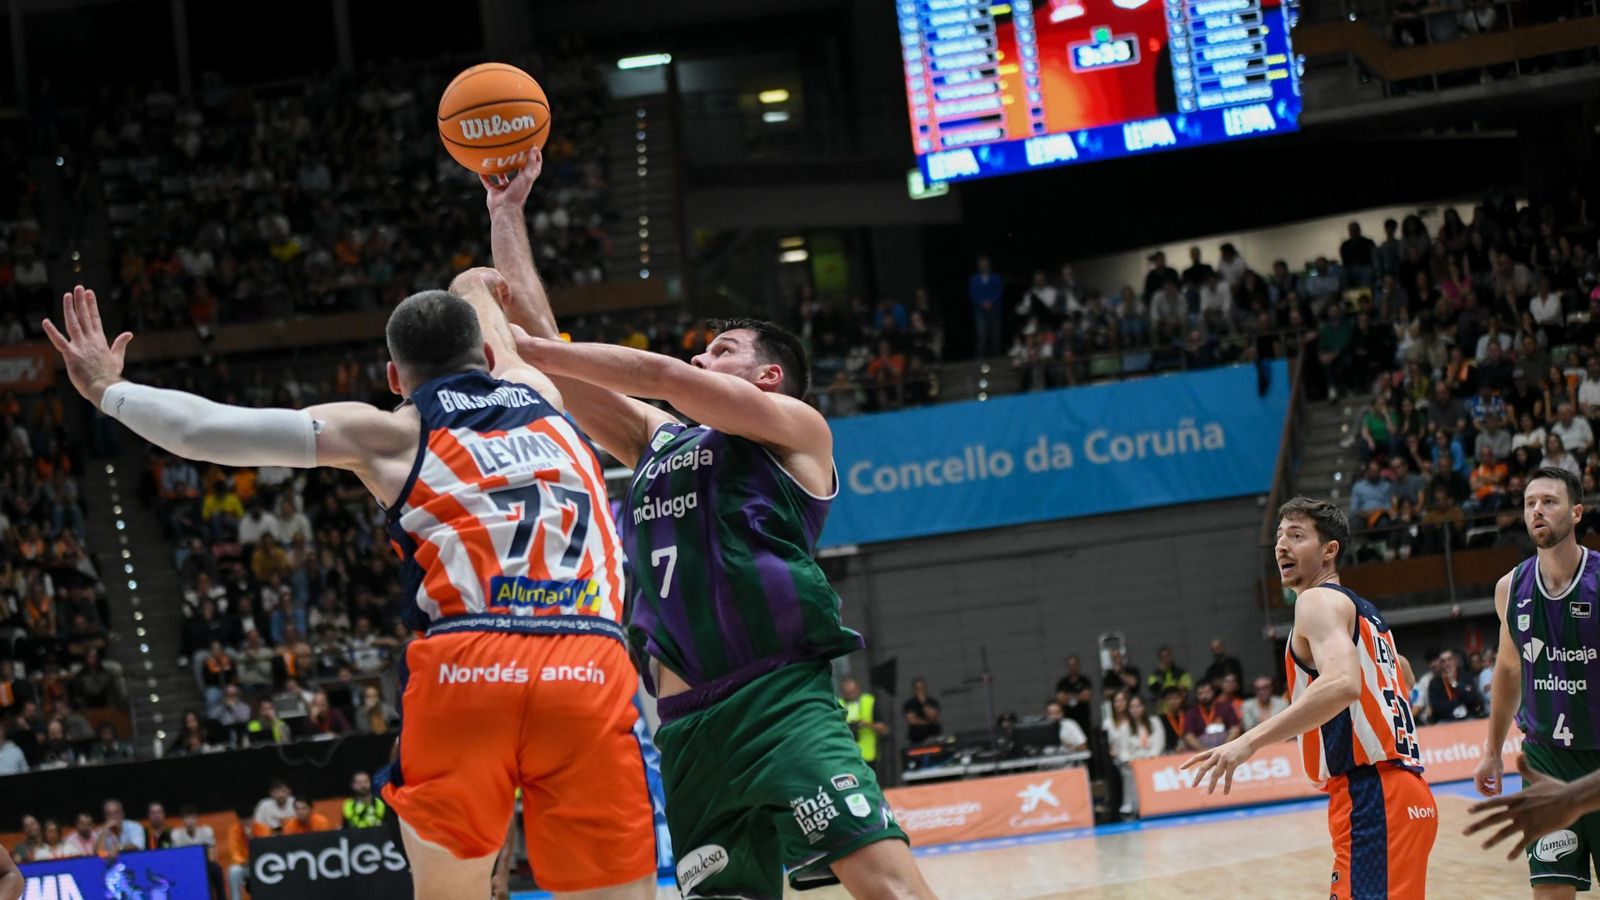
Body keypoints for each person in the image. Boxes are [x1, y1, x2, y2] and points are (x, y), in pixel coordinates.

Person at [42, 281, 657, 900]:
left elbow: (208, 431)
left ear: (394, 376)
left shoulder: (388, 432)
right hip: (587, 657)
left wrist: (104, 388)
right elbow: (488, 308)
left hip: (469, 663)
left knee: (451, 893)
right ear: (491, 357)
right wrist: (489, 244)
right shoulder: (547, 398)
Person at [485, 156, 932, 898]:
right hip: (689, 727)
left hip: (781, 702)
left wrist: (525, 352)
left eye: (722, 350)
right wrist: (505, 212)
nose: (701, 355)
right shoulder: (657, 443)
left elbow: (656, 376)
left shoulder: (797, 432)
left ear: (769, 378)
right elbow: (557, 353)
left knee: (886, 885)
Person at [1184, 498, 1434, 899]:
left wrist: (1247, 742)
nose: (1281, 545)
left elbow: (1343, 684)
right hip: (1399, 793)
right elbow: (1401, 673)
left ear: (1328, 550)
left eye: (1297, 536)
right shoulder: (1365, 613)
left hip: (1372, 796)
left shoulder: (1316, 601)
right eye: (1280, 536)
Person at [1471, 466, 1600, 892]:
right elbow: (1508, 669)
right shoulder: (1510, 587)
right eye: (1530, 503)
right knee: (1548, 890)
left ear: (1577, 512)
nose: (1537, 511)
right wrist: (1492, 750)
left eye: (1549, 501)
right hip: (1545, 760)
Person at [1107, 693, 1164, 818]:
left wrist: (1151, 757)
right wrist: (1131, 761)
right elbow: (1123, 751)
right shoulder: (1124, 727)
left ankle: (1156, 802)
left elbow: (1158, 744)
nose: (1135, 710)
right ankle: (1131, 804)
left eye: (1138, 706)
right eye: (1132, 707)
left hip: (1152, 760)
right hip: (1133, 762)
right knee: (1129, 771)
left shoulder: (1154, 722)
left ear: (1144, 707)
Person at [839, 676, 889, 769]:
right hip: (846, 756)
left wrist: (866, 724)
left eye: (852, 692)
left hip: (868, 756)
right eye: (847, 693)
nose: (850, 695)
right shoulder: (838, 704)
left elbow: (884, 729)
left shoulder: (869, 701)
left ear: (858, 689)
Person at [1181, 681, 1241, 751]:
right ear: (1196, 695)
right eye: (1200, 693)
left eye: (1207, 692)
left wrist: (1224, 748)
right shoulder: (1191, 712)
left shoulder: (1225, 707)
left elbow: (1235, 729)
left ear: (1213, 692)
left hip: (1226, 747)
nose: (1204, 696)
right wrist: (1203, 751)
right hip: (1201, 750)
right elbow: (1189, 736)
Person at [1426, 649, 1485, 721]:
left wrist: (1454, 684)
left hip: (1468, 716)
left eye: (1449, 659)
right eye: (1443, 661)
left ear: (1455, 661)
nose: (1447, 664)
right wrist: (1457, 702)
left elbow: (1472, 698)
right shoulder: (1434, 683)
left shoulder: (1466, 677)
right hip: (1446, 719)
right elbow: (1437, 707)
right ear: (1441, 665)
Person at [1055, 654, 1094, 735]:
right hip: (1068, 720)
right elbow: (1060, 699)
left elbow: (1086, 696)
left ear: (1078, 666)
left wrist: (1068, 697)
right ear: (1067, 667)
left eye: (1074, 665)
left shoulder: (1084, 680)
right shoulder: (1062, 683)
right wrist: (1078, 697)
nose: (1072, 668)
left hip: (1083, 720)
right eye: (1070, 665)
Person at [903, 677, 942, 744]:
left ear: (925, 688)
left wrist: (924, 703)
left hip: (933, 737)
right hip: (917, 739)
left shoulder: (932, 702)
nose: (920, 690)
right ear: (914, 690)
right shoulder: (909, 704)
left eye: (921, 688)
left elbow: (932, 718)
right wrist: (928, 722)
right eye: (917, 688)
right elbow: (912, 721)